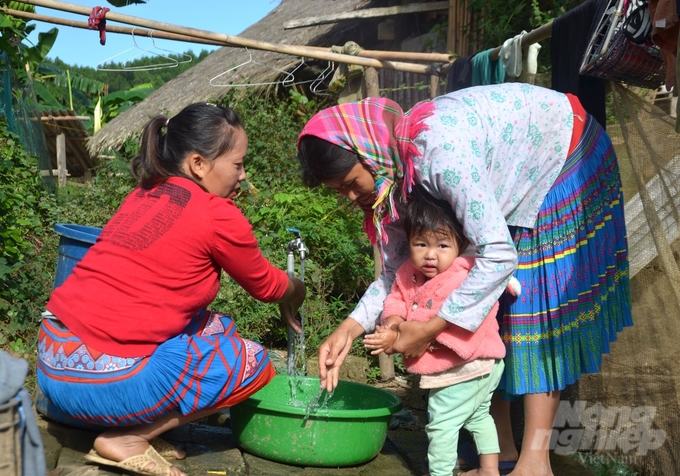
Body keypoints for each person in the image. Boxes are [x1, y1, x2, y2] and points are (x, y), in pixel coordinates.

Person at [297, 82, 632, 476]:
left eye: (352, 184)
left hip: (562, 149)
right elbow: (396, 274)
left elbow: (499, 253)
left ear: (367, 154)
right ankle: (502, 450)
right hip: (515, 171)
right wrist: (348, 329)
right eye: (341, 192)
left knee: (530, 304)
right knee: (490, 305)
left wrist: (430, 329)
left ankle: (535, 464)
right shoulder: (393, 181)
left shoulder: (439, 156)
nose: (352, 197)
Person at [37, 102, 306, 476]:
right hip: (97, 383)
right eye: (238, 164)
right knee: (252, 363)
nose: (243, 176)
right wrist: (297, 289)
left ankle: (134, 426)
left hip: (53, 363)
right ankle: (128, 438)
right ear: (198, 164)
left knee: (217, 327)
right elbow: (266, 284)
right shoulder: (216, 212)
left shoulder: (144, 194)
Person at [364, 185, 515, 476]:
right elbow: (397, 296)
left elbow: (438, 319)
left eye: (442, 246)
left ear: (460, 245)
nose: (430, 255)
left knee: (441, 424)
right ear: (408, 242)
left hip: (464, 364)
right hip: (483, 365)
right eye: (421, 244)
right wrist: (393, 322)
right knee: (478, 417)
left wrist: (399, 337)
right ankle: (490, 470)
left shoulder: (461, 276)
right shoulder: (409, 272)